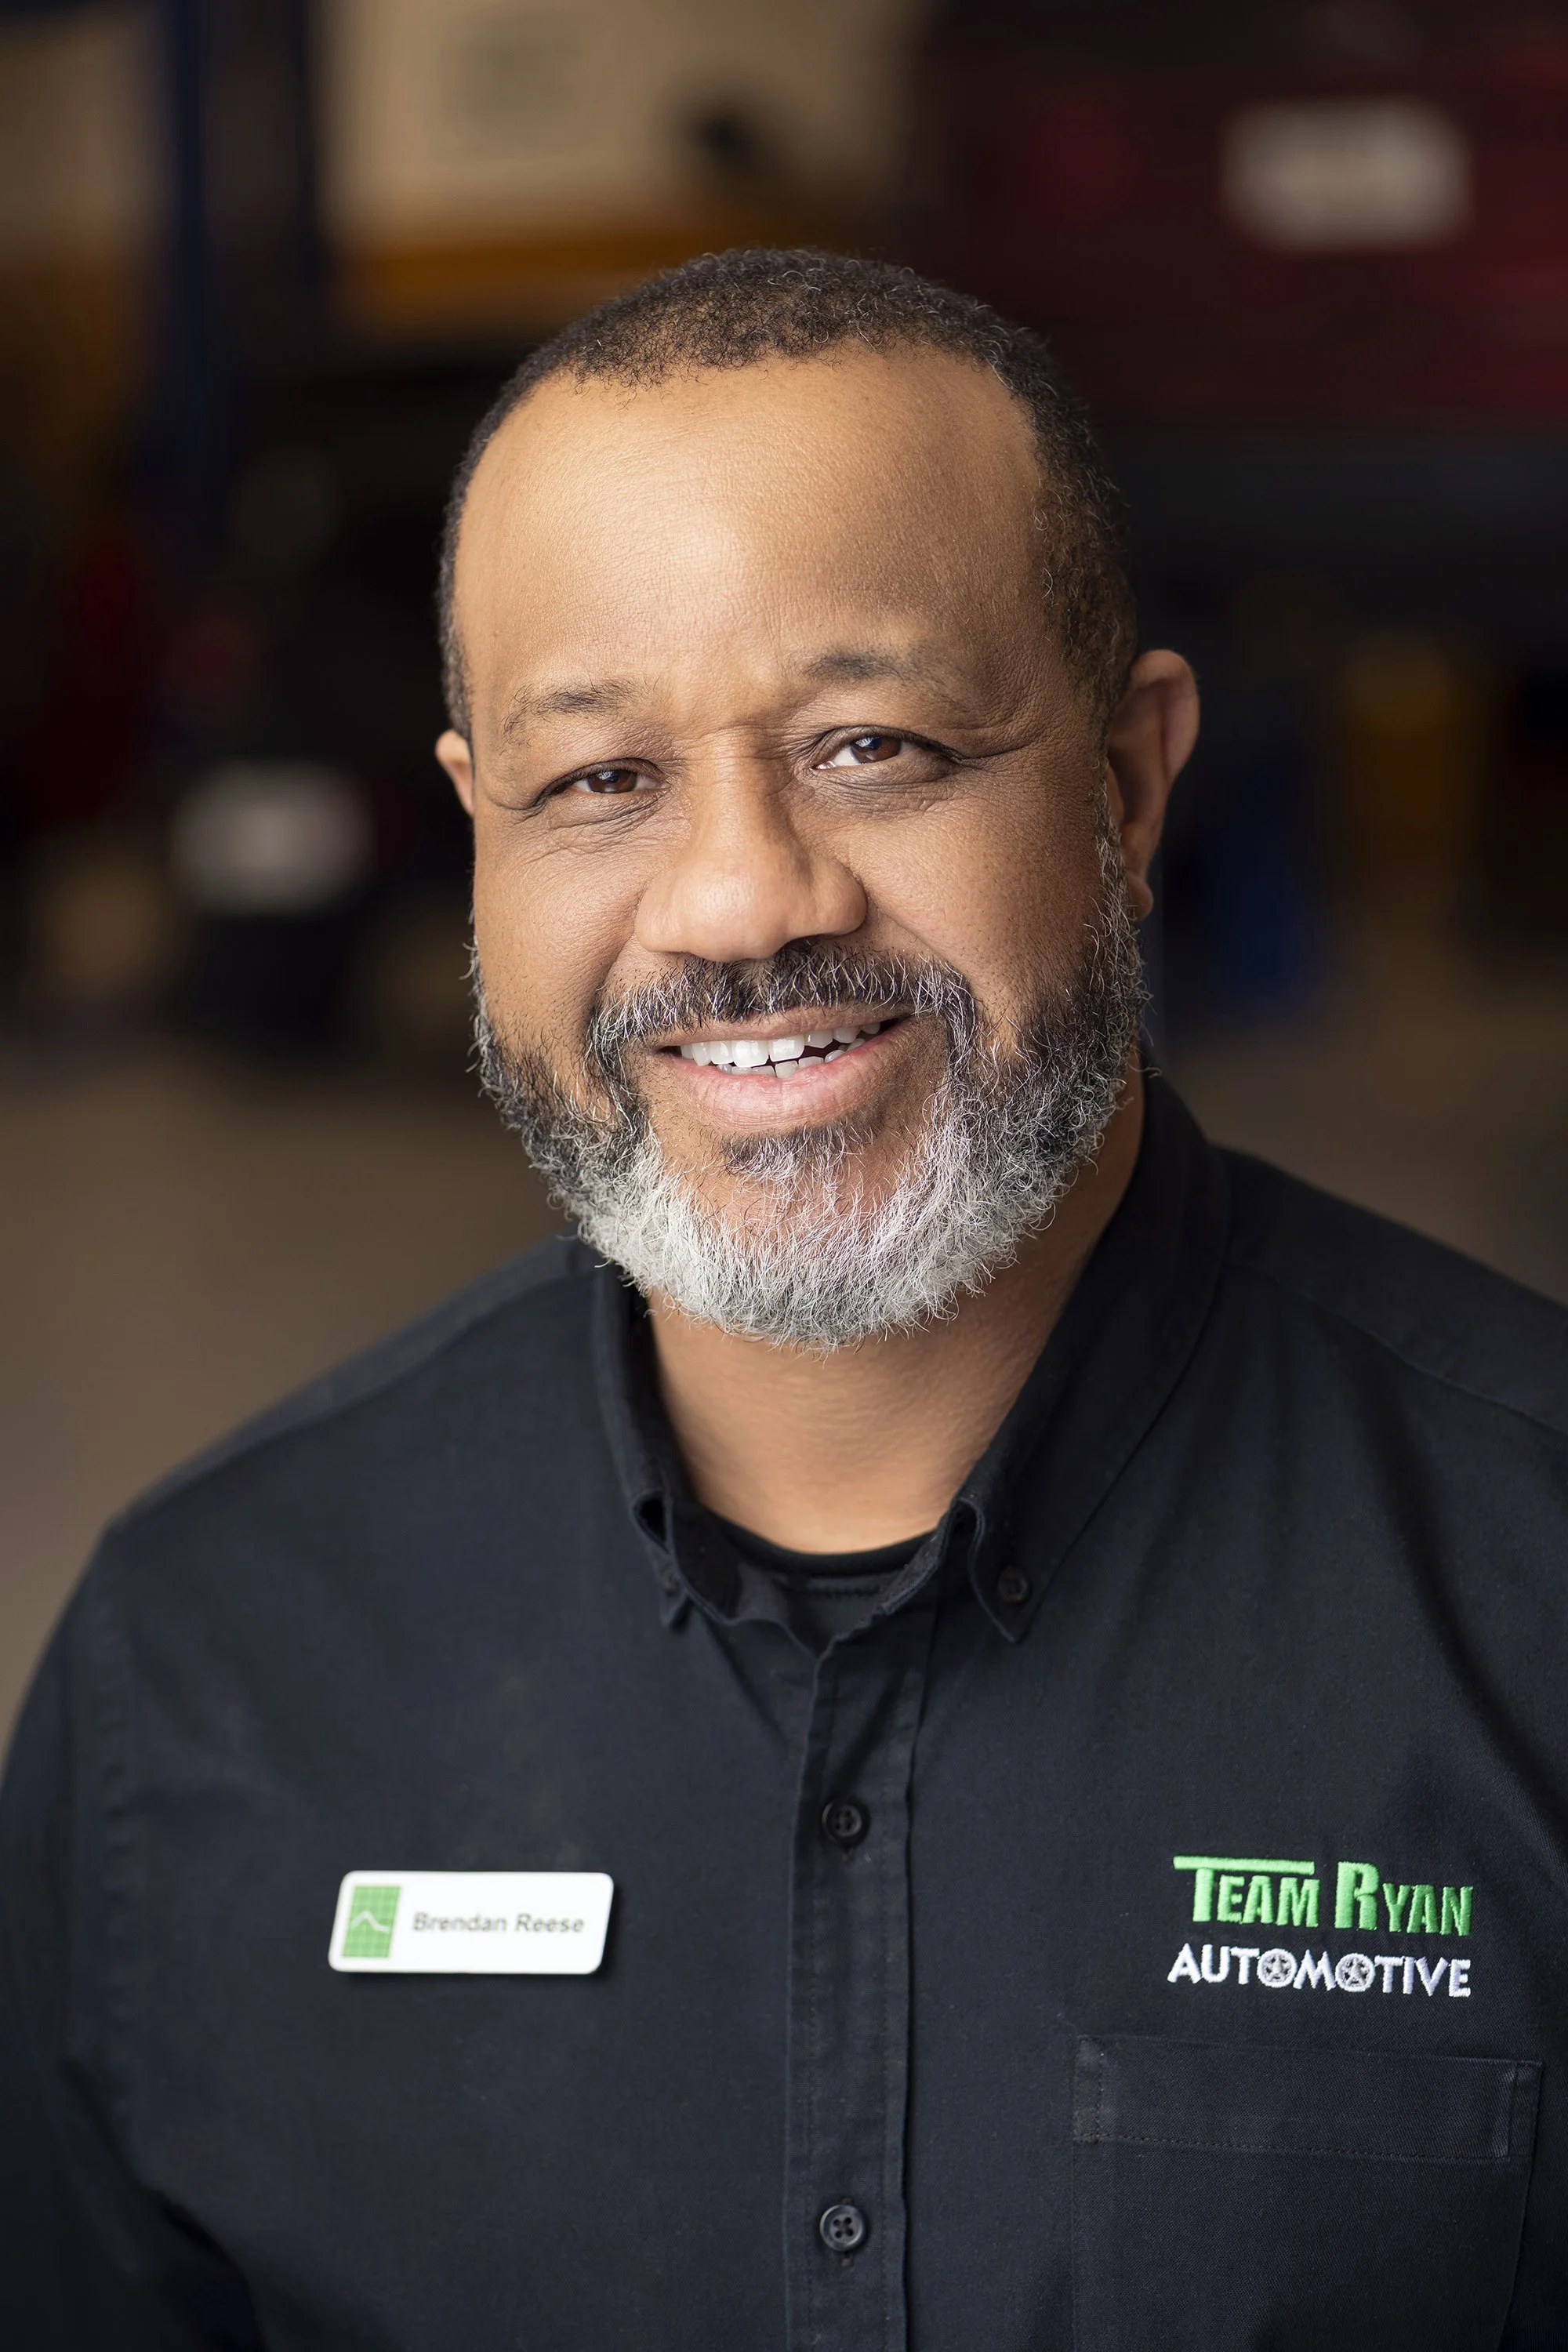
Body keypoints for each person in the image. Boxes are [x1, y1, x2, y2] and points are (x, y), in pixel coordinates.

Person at [2, 249, 1566, 2352]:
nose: (742, 898)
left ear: (1125, 785)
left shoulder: (1531, 1589)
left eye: (873, 744)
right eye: (602, 782)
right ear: (477, 835)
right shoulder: (198, 1671)